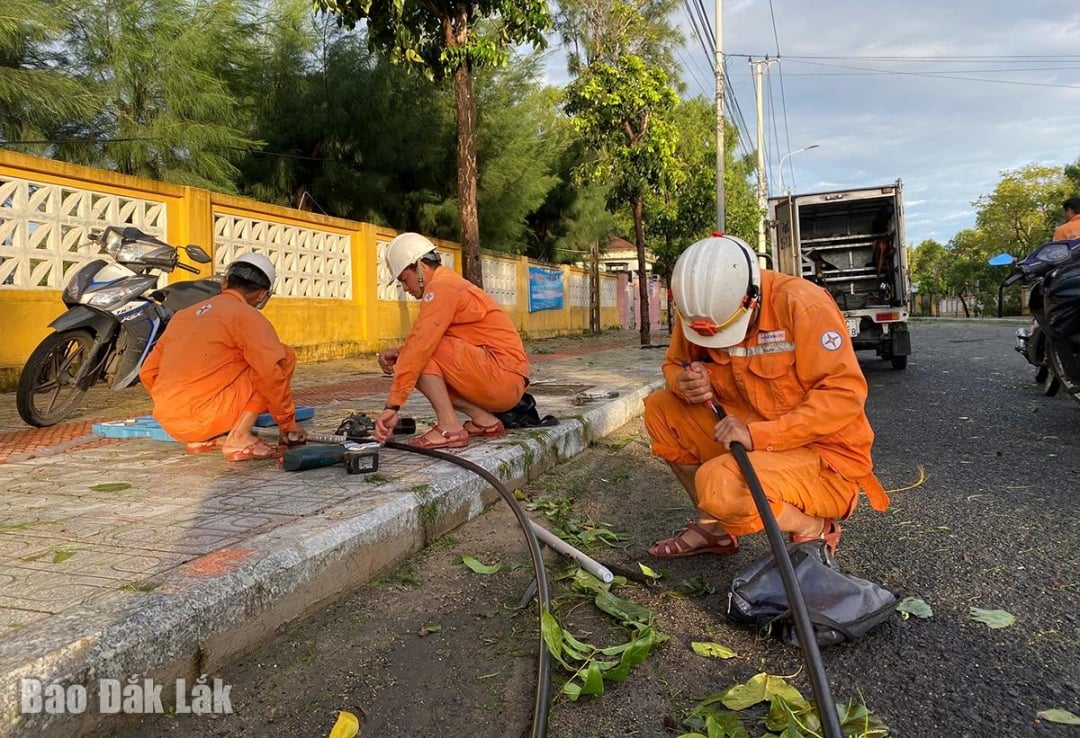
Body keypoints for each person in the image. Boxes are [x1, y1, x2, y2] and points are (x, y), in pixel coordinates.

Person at [643, 233, 889, 558]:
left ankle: (811, 528)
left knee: (720, 484)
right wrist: (684, 382)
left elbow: (843, 395)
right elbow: (676, 363)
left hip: (822, 455)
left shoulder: (803, 305)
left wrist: (758, 435)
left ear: (752, 297)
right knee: (661, 410)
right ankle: (714, 528)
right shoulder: (703, 307)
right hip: (745, 432)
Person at [140, 253, 307, 461]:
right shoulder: (247, 316)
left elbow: (147, 372)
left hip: (171, 422)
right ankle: (239, 437)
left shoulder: (182, 315)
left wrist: (174, 405)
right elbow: (270, 373)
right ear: (263, 295)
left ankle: (202, 439)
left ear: (225, 282)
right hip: (208, 416)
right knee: (281, 356)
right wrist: (287, 423)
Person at [373, 232, 530, 449]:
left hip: (501, 376)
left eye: (404, 280)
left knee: (418, 355)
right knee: (415, 354)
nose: (406, 288)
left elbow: (421, 346)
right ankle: (485, 421)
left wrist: (393, 405)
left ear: (420, 266)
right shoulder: (449, 284)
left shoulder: (441, 287)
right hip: (507, 381)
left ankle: (450, 429)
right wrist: (402, 352)